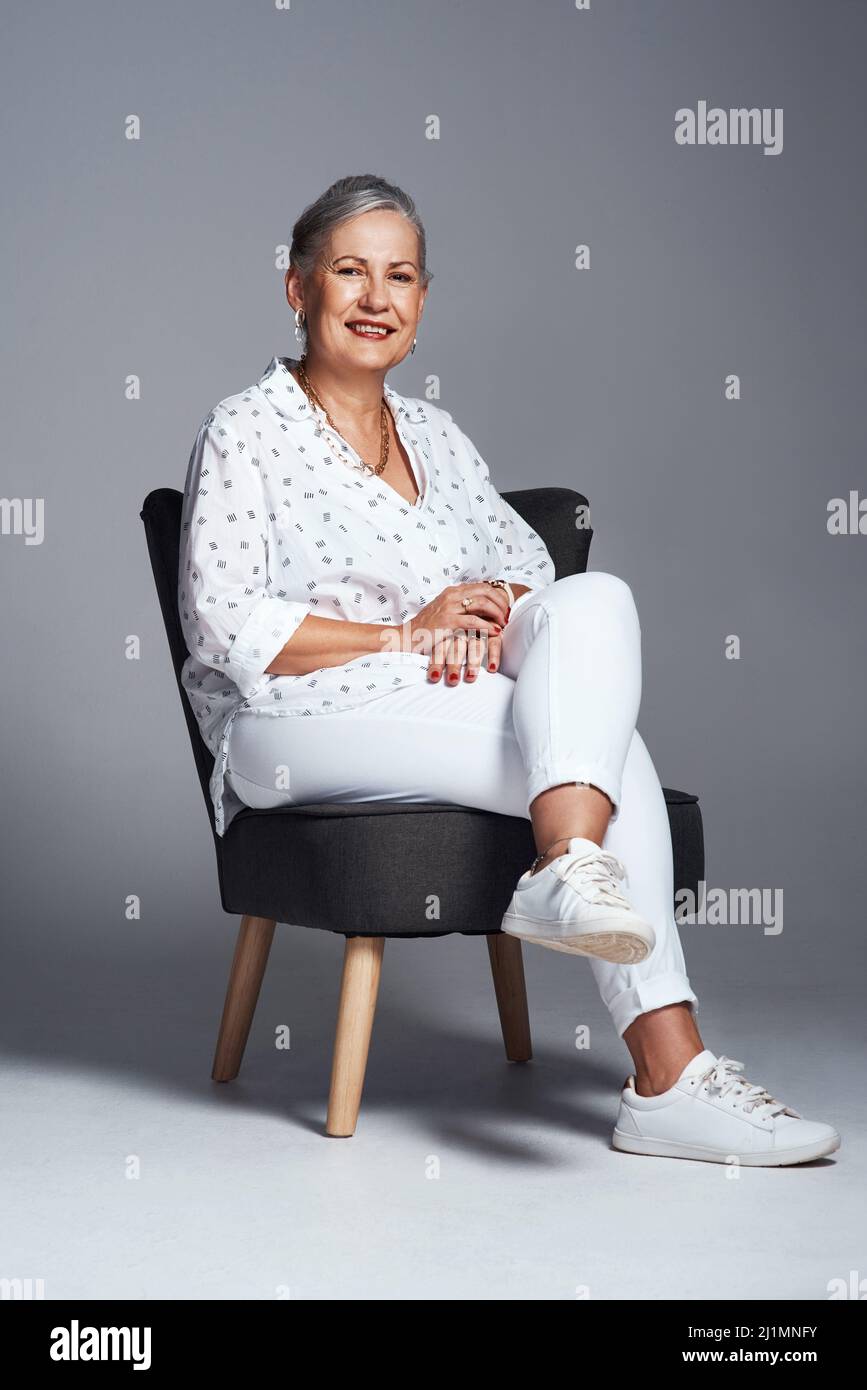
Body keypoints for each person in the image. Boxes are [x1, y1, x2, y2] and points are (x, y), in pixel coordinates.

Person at [178, 173, 840, 1166]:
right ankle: (668, 1074)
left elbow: (527, 565)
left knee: (594, 598)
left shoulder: (437, 435)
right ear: (299, 286)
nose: (375, 297)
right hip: (292, 724)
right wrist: (411, 630)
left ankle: (570, 869)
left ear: (423, 302)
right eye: (350, 271)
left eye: (399, 276)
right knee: (612, 757)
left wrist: (477, 622)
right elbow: (222, 624)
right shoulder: (247, 430)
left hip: (443, 694)